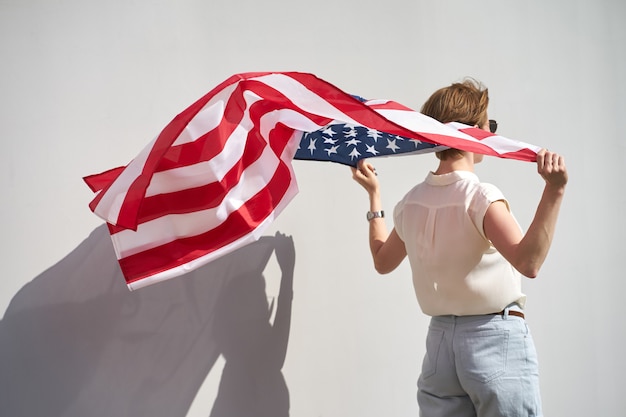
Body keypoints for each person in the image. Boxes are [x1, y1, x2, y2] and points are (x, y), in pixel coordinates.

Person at [351, 79, 567, 417]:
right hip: (494, 340)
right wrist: (554, 191)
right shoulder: (479, 198)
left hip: (440, 346)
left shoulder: (411, 203)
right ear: (474, 132)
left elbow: (382, 260)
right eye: (489, 125)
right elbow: (529, 261)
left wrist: (374, 195)